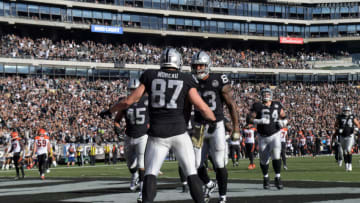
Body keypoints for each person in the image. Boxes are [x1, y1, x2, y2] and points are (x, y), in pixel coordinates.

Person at [101, 48, 216, 203]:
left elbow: (129, 101)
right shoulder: (186, 78)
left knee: (150, 174)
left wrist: (110, 110)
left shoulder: (150, 75)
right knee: (191, 173)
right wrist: (213, 120)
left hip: (157, 135)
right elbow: (202, 107)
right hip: (179, 132)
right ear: (178, 62)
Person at [190, 51, 240, 203]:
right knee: (194, 164)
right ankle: (209, 184)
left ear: (208, 65)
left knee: (219, 163)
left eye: (201, 65)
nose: (198, 68)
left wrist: (236, 127)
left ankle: (222, 197)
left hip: (216, 126)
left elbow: (231, 105)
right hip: (198, 127)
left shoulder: (219, 79)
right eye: (196, 65)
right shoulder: (190, 81)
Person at [113, 78, 149, 202]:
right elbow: (117, 120)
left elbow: (155, 116)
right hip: (129, 135)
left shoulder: (147, 101)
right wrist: (117, 128)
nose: (133, 92)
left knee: (141, 163)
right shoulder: (125, 102)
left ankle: (142, 192)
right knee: (129, 162)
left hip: (143, 135)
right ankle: (134, 175)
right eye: (131, 90)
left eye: (135, 89)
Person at [249, 88, 287, 190]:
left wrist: (284, 122)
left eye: (267, 93)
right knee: (264, 160)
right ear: (261, 95)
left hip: (275, 134)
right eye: (264, 94)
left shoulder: (277, 104)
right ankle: (266, 177)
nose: (266, 95)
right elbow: (249, 118)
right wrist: (259, 121)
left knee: (276, 156)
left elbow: (284, 116)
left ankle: (277, 177)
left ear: (271, 94)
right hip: (262, 136)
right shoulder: (257, 105)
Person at [335, 106, 360, 172]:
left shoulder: (352, 116)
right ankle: (346, 164)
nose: (346, 112)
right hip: (342, 136)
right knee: (345, 151)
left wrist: (356, 129)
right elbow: (335, 125)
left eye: (347, 111)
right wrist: (338, 129)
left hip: (350, 136)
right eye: (345, 111)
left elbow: (358, 124)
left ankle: (350, 165)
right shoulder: (340, 117)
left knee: (348, 149)